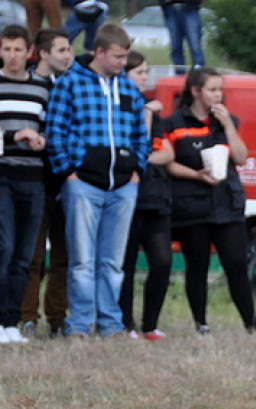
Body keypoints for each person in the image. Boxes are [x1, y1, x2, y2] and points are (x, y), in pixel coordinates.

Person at [47, 22, 147, 339]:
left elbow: (140, 135)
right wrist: (69, 172)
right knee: (82, 261)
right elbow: (55, 131)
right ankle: (78, 323)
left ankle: (110, 323)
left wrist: (136, 172)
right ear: (99, 52)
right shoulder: (71, 83)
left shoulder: (129, 88)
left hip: (122, 186)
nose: (122, 62)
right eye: (118, 56)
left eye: (126, 56)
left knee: (112, 262)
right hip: (83, 184)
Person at [164, 66, 256, 334]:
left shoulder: (229, 121)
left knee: (236, 265)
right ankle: (201, 324)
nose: (218, 95)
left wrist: (228, 124)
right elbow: (169, 163)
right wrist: (196, 174)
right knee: (197, 266)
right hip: (192, 204)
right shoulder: (174, 123)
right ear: (196, 92)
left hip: (227, 204)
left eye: (221, 90)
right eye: (212, 90)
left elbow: (241, 157)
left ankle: (252, 323)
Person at [20, 28, 74, 339]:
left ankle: (58, 319)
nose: (68, 56)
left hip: (64, 180)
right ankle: (27, 317)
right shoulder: (26, 86)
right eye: (62, 50)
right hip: (33, 179)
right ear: (43, 53)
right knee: (33, 255)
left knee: (64, 256)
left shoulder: (69, 86)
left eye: (69, 50)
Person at [118, 50, 174, 340]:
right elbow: (136, 146)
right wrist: (147, 114)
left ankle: (150, 324)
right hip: (128, 195)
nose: (145, 77)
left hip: (157, 199)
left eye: (146, 71)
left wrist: (146, 156)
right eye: (139, 72)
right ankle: (125, 324)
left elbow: (165, 152)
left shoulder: (155, 109)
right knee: (125, 264)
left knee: (162, 262)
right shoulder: (122, 106)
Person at [0, 24, 50, 344]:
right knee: (3, 248)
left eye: (18, 49)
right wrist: (14, 135)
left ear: (29, 51)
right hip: (2, 175)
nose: (12, 55)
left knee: (25, 255)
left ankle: (10, 322)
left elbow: (50, 127)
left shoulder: (42, 88)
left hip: (34, 178)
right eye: (6, 49)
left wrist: (42, 139)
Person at [159, 0, 205, 73]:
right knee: (176, 46)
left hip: (191, 9)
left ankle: (199, 75)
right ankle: (179, 76)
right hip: (170, 9)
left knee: (195, 46)